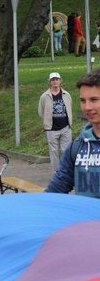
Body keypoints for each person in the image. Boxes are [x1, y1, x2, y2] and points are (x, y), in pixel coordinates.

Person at [46, 69, 100, 198]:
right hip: (85, 218)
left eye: (94, 100)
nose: (87, 107)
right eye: (83, 100)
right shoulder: (77, 147)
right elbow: (57, 188)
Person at [38, 72, 73, 173]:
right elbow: (41, 111)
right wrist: (47, 122)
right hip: (51, 129)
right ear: (50, 82)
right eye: (53, 80)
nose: (55, 82)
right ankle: (57, 172)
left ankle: (67, 171)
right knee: (54, 152)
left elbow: (70, 106)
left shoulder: (66, 94)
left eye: (57, 79)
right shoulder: (44, 96)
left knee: (66, 150)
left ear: (60, 81)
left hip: (65, 127)